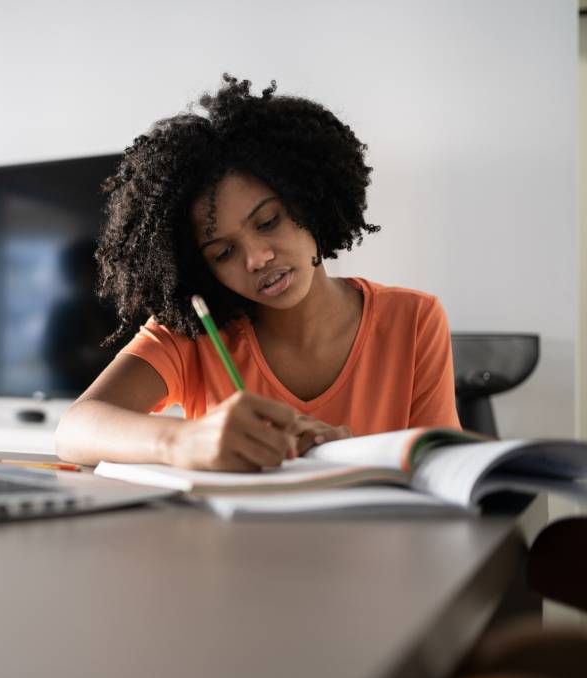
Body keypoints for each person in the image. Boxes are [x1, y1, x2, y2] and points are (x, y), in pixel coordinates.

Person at [55, 74, 462, 472]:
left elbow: (442, 467)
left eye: (268, 221)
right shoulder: (192, 336)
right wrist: (182, 441)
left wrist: (350, 461)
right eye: (224, 251)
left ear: (310, 200)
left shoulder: (413, 319)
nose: (257, 258)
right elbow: (74, 430)